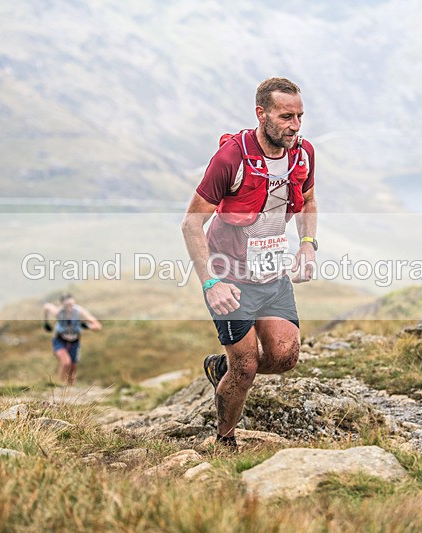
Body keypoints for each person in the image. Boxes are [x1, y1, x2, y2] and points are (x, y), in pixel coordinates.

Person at [181, 77, 318, 449]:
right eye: (286, 116)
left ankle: (219, 369)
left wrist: (307, 245)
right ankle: (225, 441)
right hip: (230, 278)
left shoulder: (302, 154)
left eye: (300, 116)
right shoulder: (232, 158)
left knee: (285, 356)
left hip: (272, 275)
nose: (295, 125)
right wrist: (211, 282)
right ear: (262, 114)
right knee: (246, 368)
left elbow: (307, 202)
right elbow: (192, 222)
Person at [42, 293, 102, 385]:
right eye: (66, 305)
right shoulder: (59, 312)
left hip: (75, 342)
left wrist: (87, 326)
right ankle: (59, 385)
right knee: (66, 362)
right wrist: (46, 322)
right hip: (60, 340)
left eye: (71, 305)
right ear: (62, 305)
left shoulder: (80, 311)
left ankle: (70, 388)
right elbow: (46, 306)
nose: (69, 308)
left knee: (72, 368)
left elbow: (97, 326)